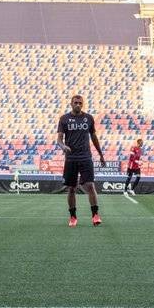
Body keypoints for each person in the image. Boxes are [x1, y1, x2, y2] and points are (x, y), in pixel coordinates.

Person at [56, 94, 105, 226]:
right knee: (71, 188)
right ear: (71, 104)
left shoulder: (88, 118)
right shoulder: (64, 119)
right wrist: (63, 146)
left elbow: (94, 137)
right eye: (76, 102)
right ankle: (73, 217)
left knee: (90, 185)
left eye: (80, 103)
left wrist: (100, 154)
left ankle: (95, 215)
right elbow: (59, 140)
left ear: (82, 104)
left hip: (85, 157)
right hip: (71, 158)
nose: (78, 105)